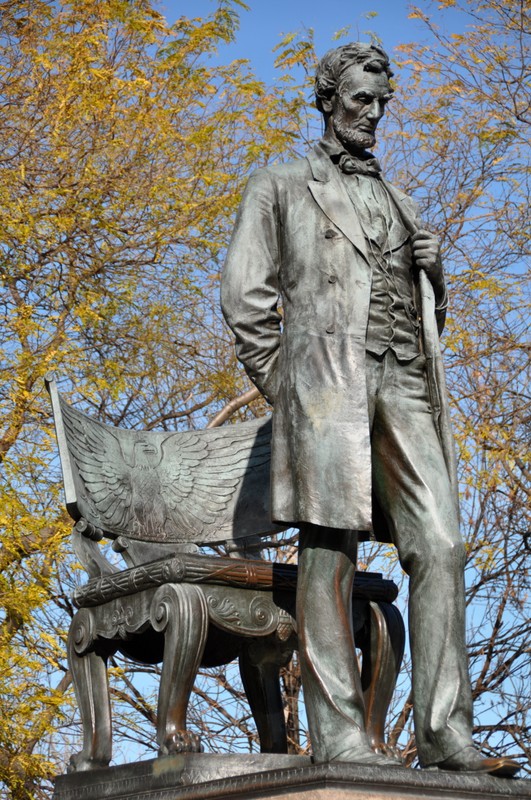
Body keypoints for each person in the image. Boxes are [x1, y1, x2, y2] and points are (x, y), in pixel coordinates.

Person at [221, 42, 518, 777]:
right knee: (330, 554)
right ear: (328, 98)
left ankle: (446, 733)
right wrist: (290, 391)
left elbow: (420, 318)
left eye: (382, 103)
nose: (374, 114)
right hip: (327, 387)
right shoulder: (281, 184)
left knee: (440, 544)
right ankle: (341, 737)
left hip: (404, 384)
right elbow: (245, 300)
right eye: (361, 100)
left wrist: (434, 277)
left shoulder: (400, 201)